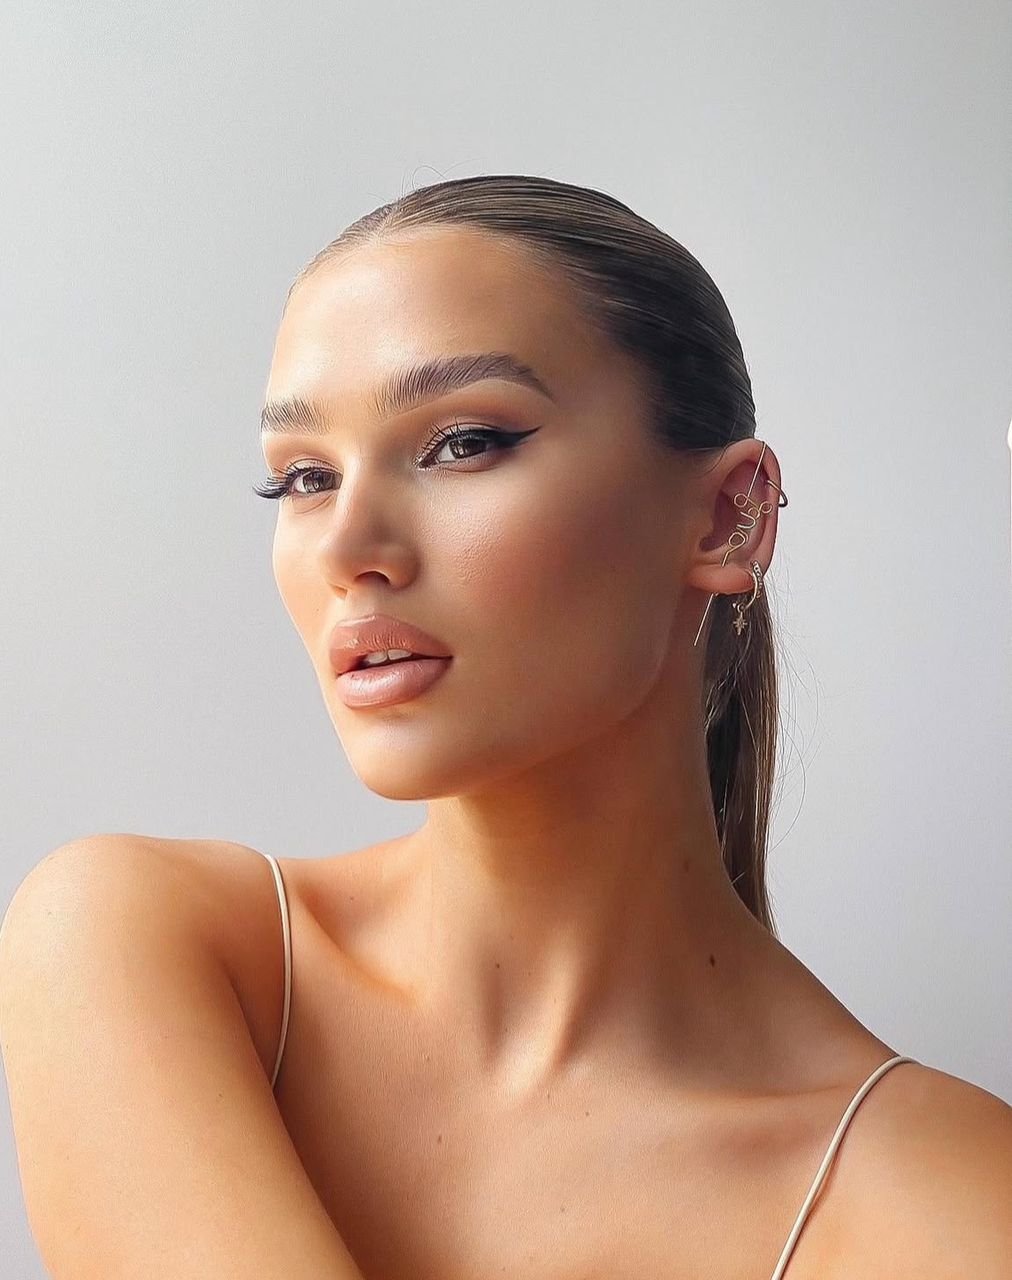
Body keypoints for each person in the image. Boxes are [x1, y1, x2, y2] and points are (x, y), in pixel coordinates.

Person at [2, 174, 1009, 1278]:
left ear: (729, 514)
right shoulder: (146, 945)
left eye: (464, 441)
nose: (347, 547)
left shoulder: (943, 1196)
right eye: (302, 476)